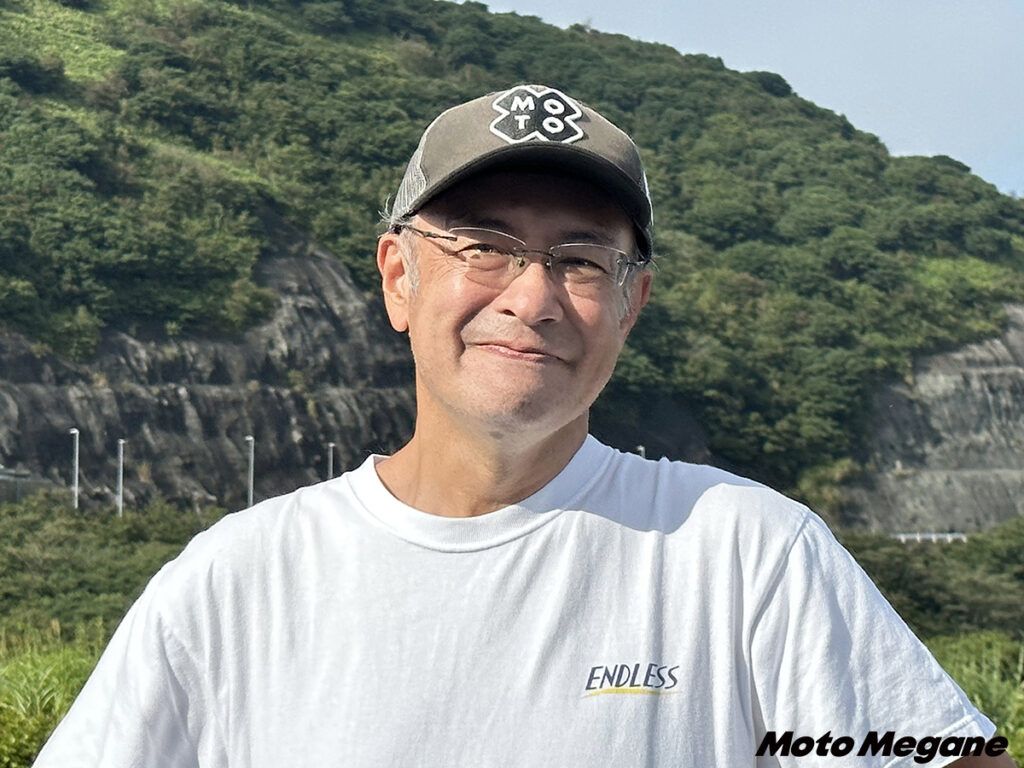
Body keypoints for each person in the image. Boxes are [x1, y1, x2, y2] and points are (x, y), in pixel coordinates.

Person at [35, 84, 1015, 767]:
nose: (532, 298)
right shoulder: (236, 583)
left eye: (581, 260)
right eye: (484, 247)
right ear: (397, 277)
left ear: (630, 303)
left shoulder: (745, 557)